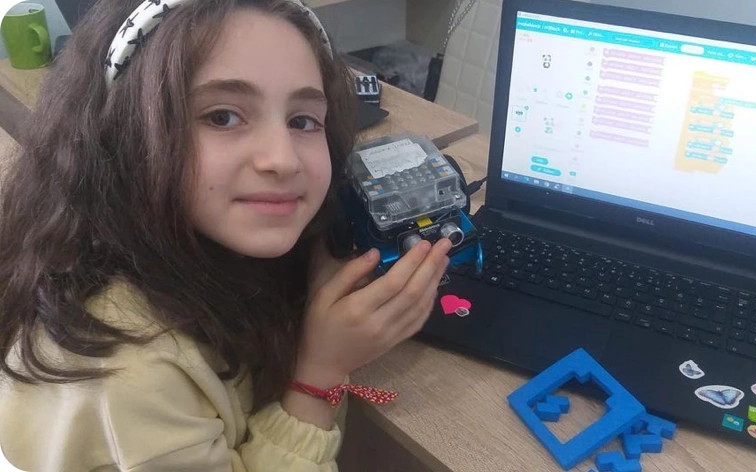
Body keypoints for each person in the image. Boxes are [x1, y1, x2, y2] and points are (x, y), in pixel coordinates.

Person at [0, 0, 452, 470]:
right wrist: (319, 374)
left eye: (302, 121)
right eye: (222, 117)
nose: (283, 160)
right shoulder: (126, 373)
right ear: (122, 132)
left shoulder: (209, 242)